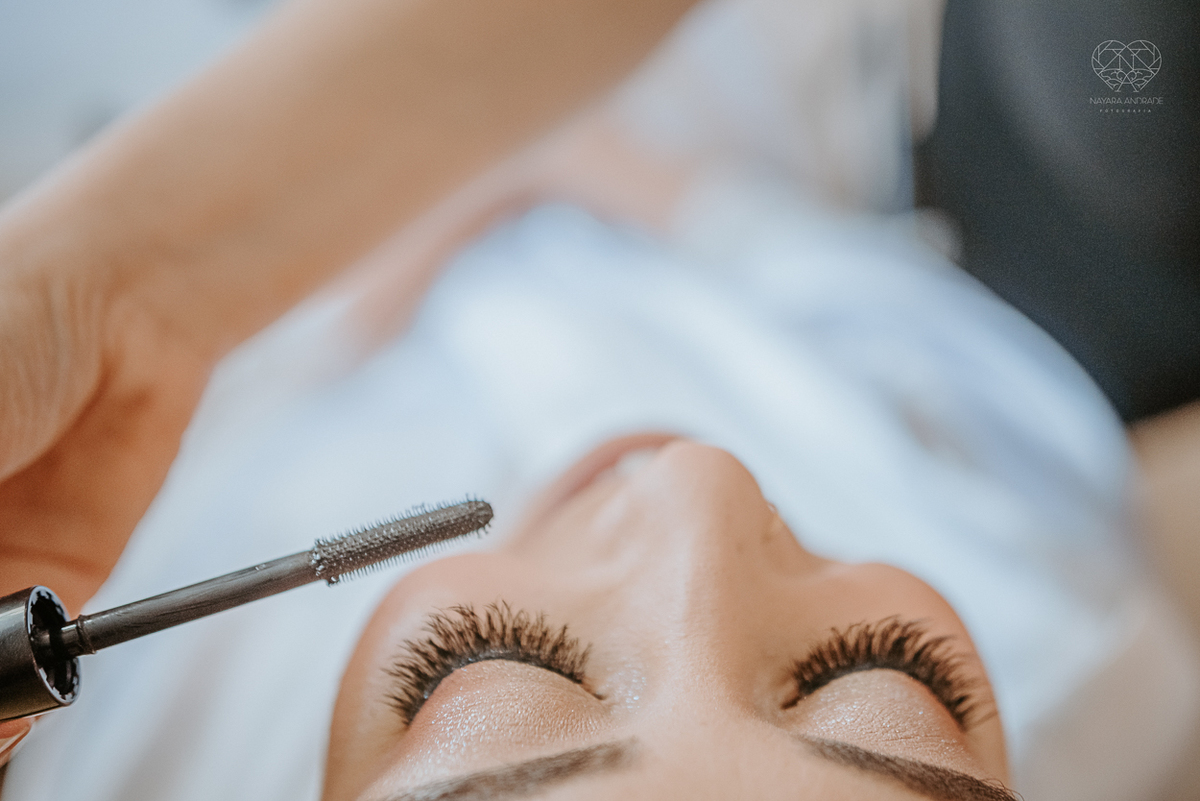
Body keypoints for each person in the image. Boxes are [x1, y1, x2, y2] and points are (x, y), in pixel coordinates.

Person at [0, 0, 1195, 798]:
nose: (698, 480)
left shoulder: (110, 745)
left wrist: (136, 285)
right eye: (880, 684)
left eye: (498, 671)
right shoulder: (1078, 655)